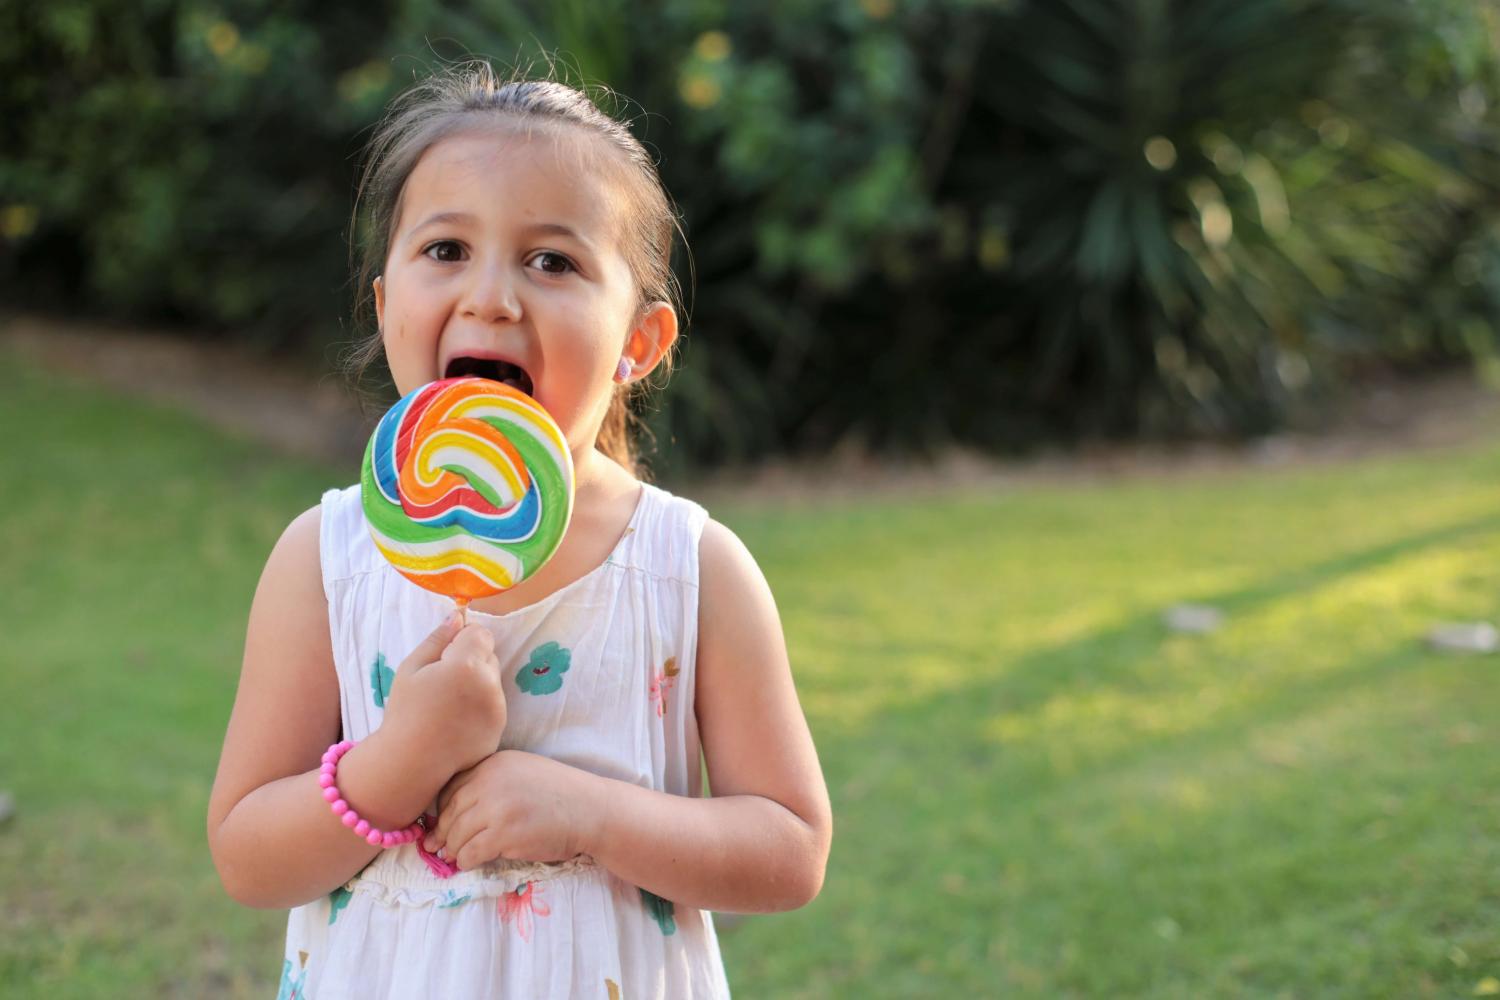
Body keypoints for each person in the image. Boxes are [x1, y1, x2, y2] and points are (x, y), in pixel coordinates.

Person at [206, 61, 832, 999]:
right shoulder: (326, 561)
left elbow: (790, 851)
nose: (493, 297)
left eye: (553, 261)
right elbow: (249, 858)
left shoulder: (688, 570)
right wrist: (397, 762)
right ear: (385, 307)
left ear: (639, 344)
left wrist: (591, 813)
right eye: (446, 250)